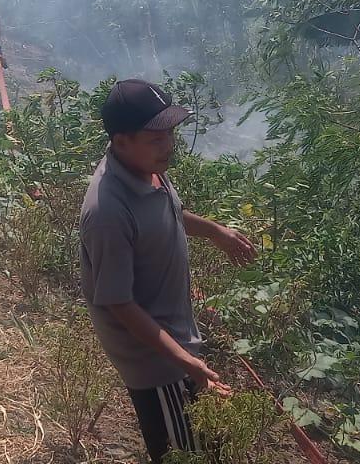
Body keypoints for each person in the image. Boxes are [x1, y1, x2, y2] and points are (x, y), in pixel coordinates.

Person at [79, 79, 258, 463]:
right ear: (121, 140)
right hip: (155, 361)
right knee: (181, 454)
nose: (169, 146)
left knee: (204, 444)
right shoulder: (107, 210)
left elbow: (167, 213)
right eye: (156, 138)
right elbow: (118, 303)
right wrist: (183, 362)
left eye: (171, 134)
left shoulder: (146, 168)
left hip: (176, 344)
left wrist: (215, 232)